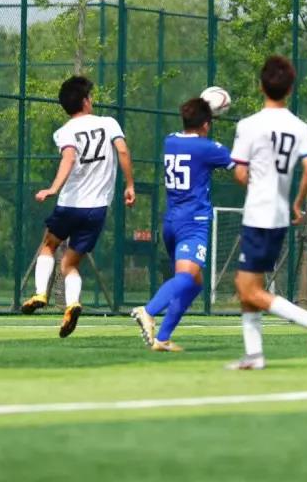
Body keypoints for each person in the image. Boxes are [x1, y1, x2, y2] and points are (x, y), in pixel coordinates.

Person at [226, 55, 307, 370]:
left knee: (247, 288)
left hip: (257, 214)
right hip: (278, 215)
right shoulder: (298, 126)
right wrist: (297, 202)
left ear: (261, 86)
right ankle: (254, 355)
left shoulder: (248, 125)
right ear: (290, 89)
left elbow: (240, 173)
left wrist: (252, 179)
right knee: (250, 285)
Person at [23, 75, 135, 339]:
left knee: (49, 244)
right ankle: (72, 303)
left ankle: (40, 293)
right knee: (70, 264)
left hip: (70, 204)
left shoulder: (65, 131)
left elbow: (69, 158)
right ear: (85, 101)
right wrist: (130, 184)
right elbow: (123, 152)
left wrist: (53, 188)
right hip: (97, 209)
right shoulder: (109, 123)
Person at [131, 98, 233, 352]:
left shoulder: (170, 141)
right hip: (193, 222)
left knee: (194, 282)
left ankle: (162, 339)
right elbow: (238, 165)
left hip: (171, 222)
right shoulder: (207, 148)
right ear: (207, 124)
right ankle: (148, 311)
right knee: (187, 277)